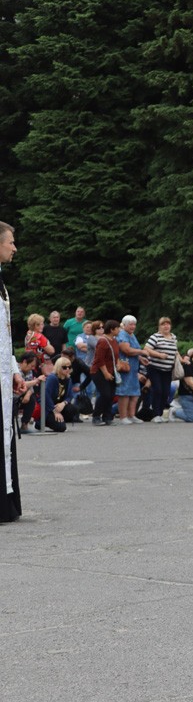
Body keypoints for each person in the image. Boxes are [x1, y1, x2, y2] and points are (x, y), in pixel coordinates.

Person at [0, 222, 23, 523]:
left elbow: (5, 337)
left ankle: (6, 502)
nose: (15, 248)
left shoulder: (2, 284)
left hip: (3, 375)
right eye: (10, 242)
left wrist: (15, 370)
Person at [116, 316, 163, 425]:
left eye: (134, 324)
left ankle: (132, 415)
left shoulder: (132, 335)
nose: (133, 326)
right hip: (125, 368)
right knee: (125, 393)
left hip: (134, 369)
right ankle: (123, 416)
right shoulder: (122, 335)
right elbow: (126, 350)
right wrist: (141, 352)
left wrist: (141, 359)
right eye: (130, 324)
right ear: (124, 325)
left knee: (135, 393)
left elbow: (134, 351)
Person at [144, 316, 179, 423]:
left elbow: (175, 351)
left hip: (167, 369)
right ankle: (155, 415)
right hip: (155, 368)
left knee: (166, 392)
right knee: (158, 390)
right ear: (159, 326)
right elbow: (146, 349)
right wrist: (159, 355)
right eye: (163, 324)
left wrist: (182, 360)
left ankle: (160, 413)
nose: (166, 326)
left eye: (168, 324)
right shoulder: (155, 337)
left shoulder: (173, 337)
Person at [89, 320, 119, 426]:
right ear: (112, 329)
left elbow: (115, 356)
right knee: (105, 394)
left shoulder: (114, 341)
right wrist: (105, 373)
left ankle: (107, 417)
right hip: (99, 371)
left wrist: (118, 366)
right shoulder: (103, 341)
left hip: (112, 371)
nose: (119, 330)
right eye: (117, 328)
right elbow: (99, 359)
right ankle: (96, 416)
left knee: (111, 394)